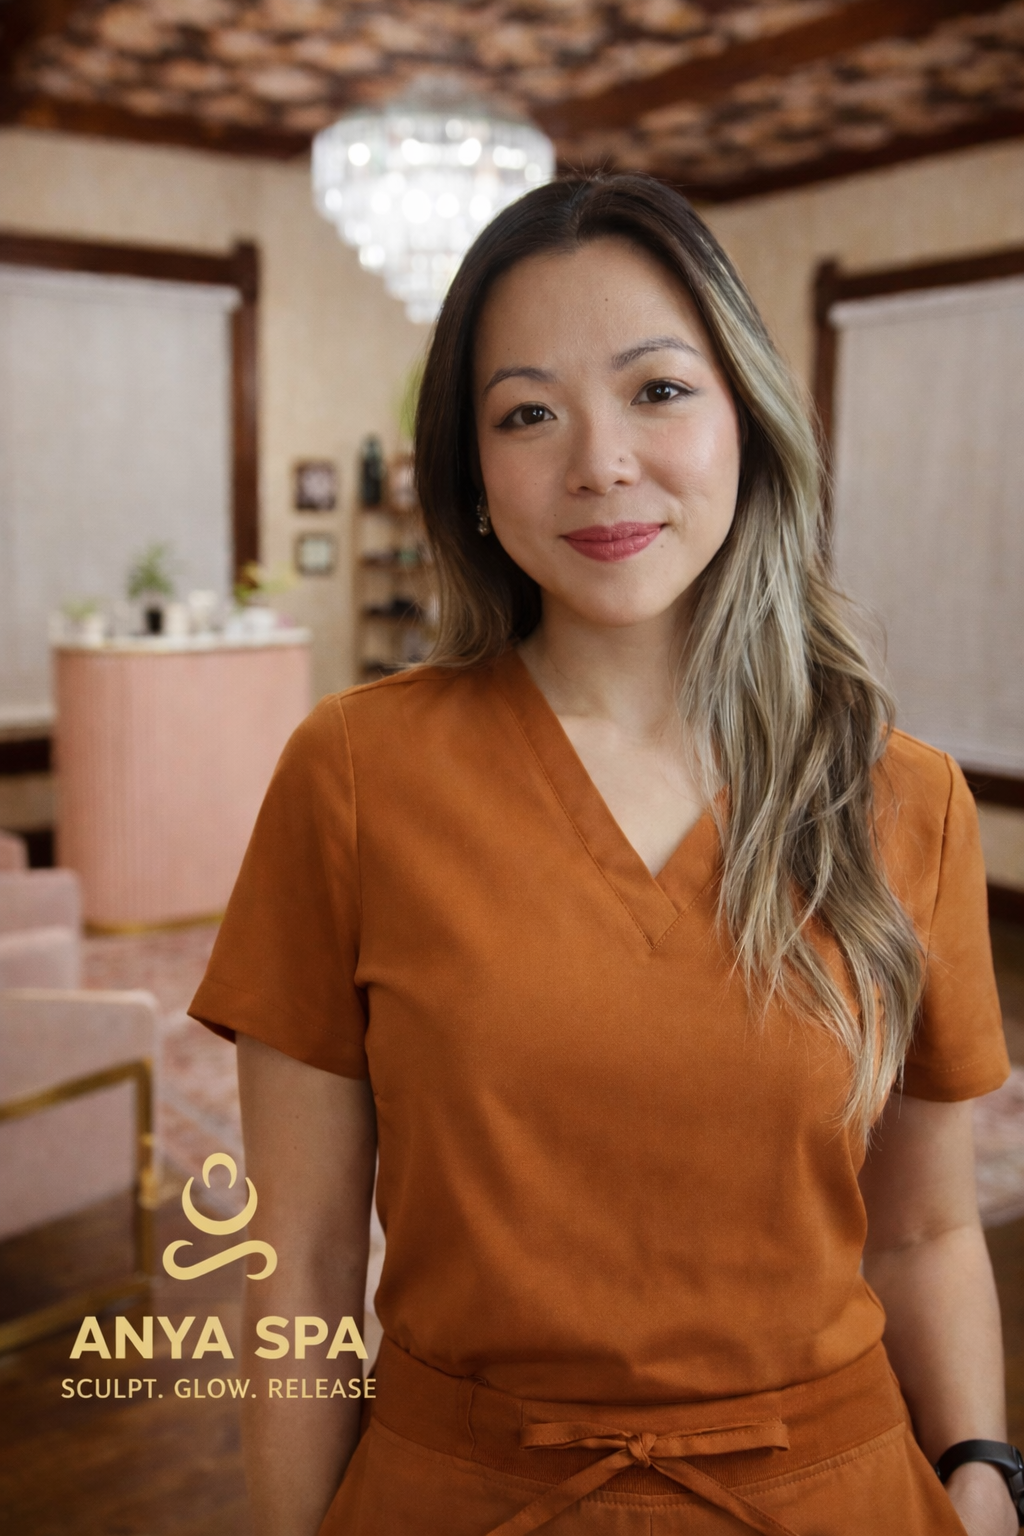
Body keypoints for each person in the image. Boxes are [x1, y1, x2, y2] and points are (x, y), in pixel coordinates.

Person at [189, 174, 1019, 1536]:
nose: (601, 463)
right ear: (469, 476)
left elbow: (925, 1231)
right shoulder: (351, 775)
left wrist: (984, 1473)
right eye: (529, 413)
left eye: (657, 391)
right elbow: (304, 1256)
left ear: (745, 414)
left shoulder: (903, 800)